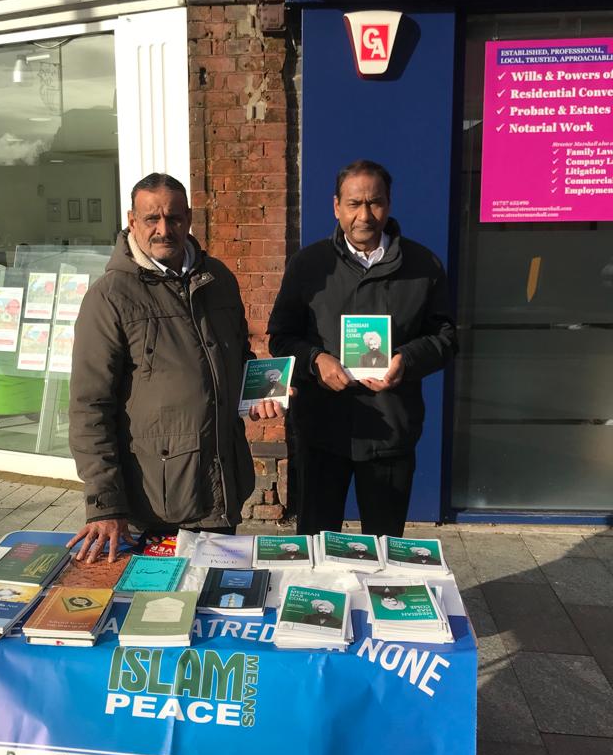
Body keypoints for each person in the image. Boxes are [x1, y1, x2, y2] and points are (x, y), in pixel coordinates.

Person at [68, 172, 283, 563]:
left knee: (216, 608)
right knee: (160, 612)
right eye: (152, 218)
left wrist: (261, 391)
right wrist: (105, 505)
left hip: (222, 484)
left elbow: (236, 360)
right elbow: (90, 406)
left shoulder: (217, 279)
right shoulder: (110, 297)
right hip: (158, 498)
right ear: (132, 221)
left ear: (189, 218)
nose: (164, 229)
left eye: (174, 217)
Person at [268, 159, 457, 537]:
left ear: (389, 203)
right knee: (315, 547)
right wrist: (315, 360)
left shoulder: (423, 265)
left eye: (375, 203)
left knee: (384, 550)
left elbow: (447, 337)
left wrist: (408, 360)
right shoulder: (309, 265)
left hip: (390, 432)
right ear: (336, 206)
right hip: (322, 430)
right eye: (354, 204)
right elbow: (281, 336)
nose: (365, 215)